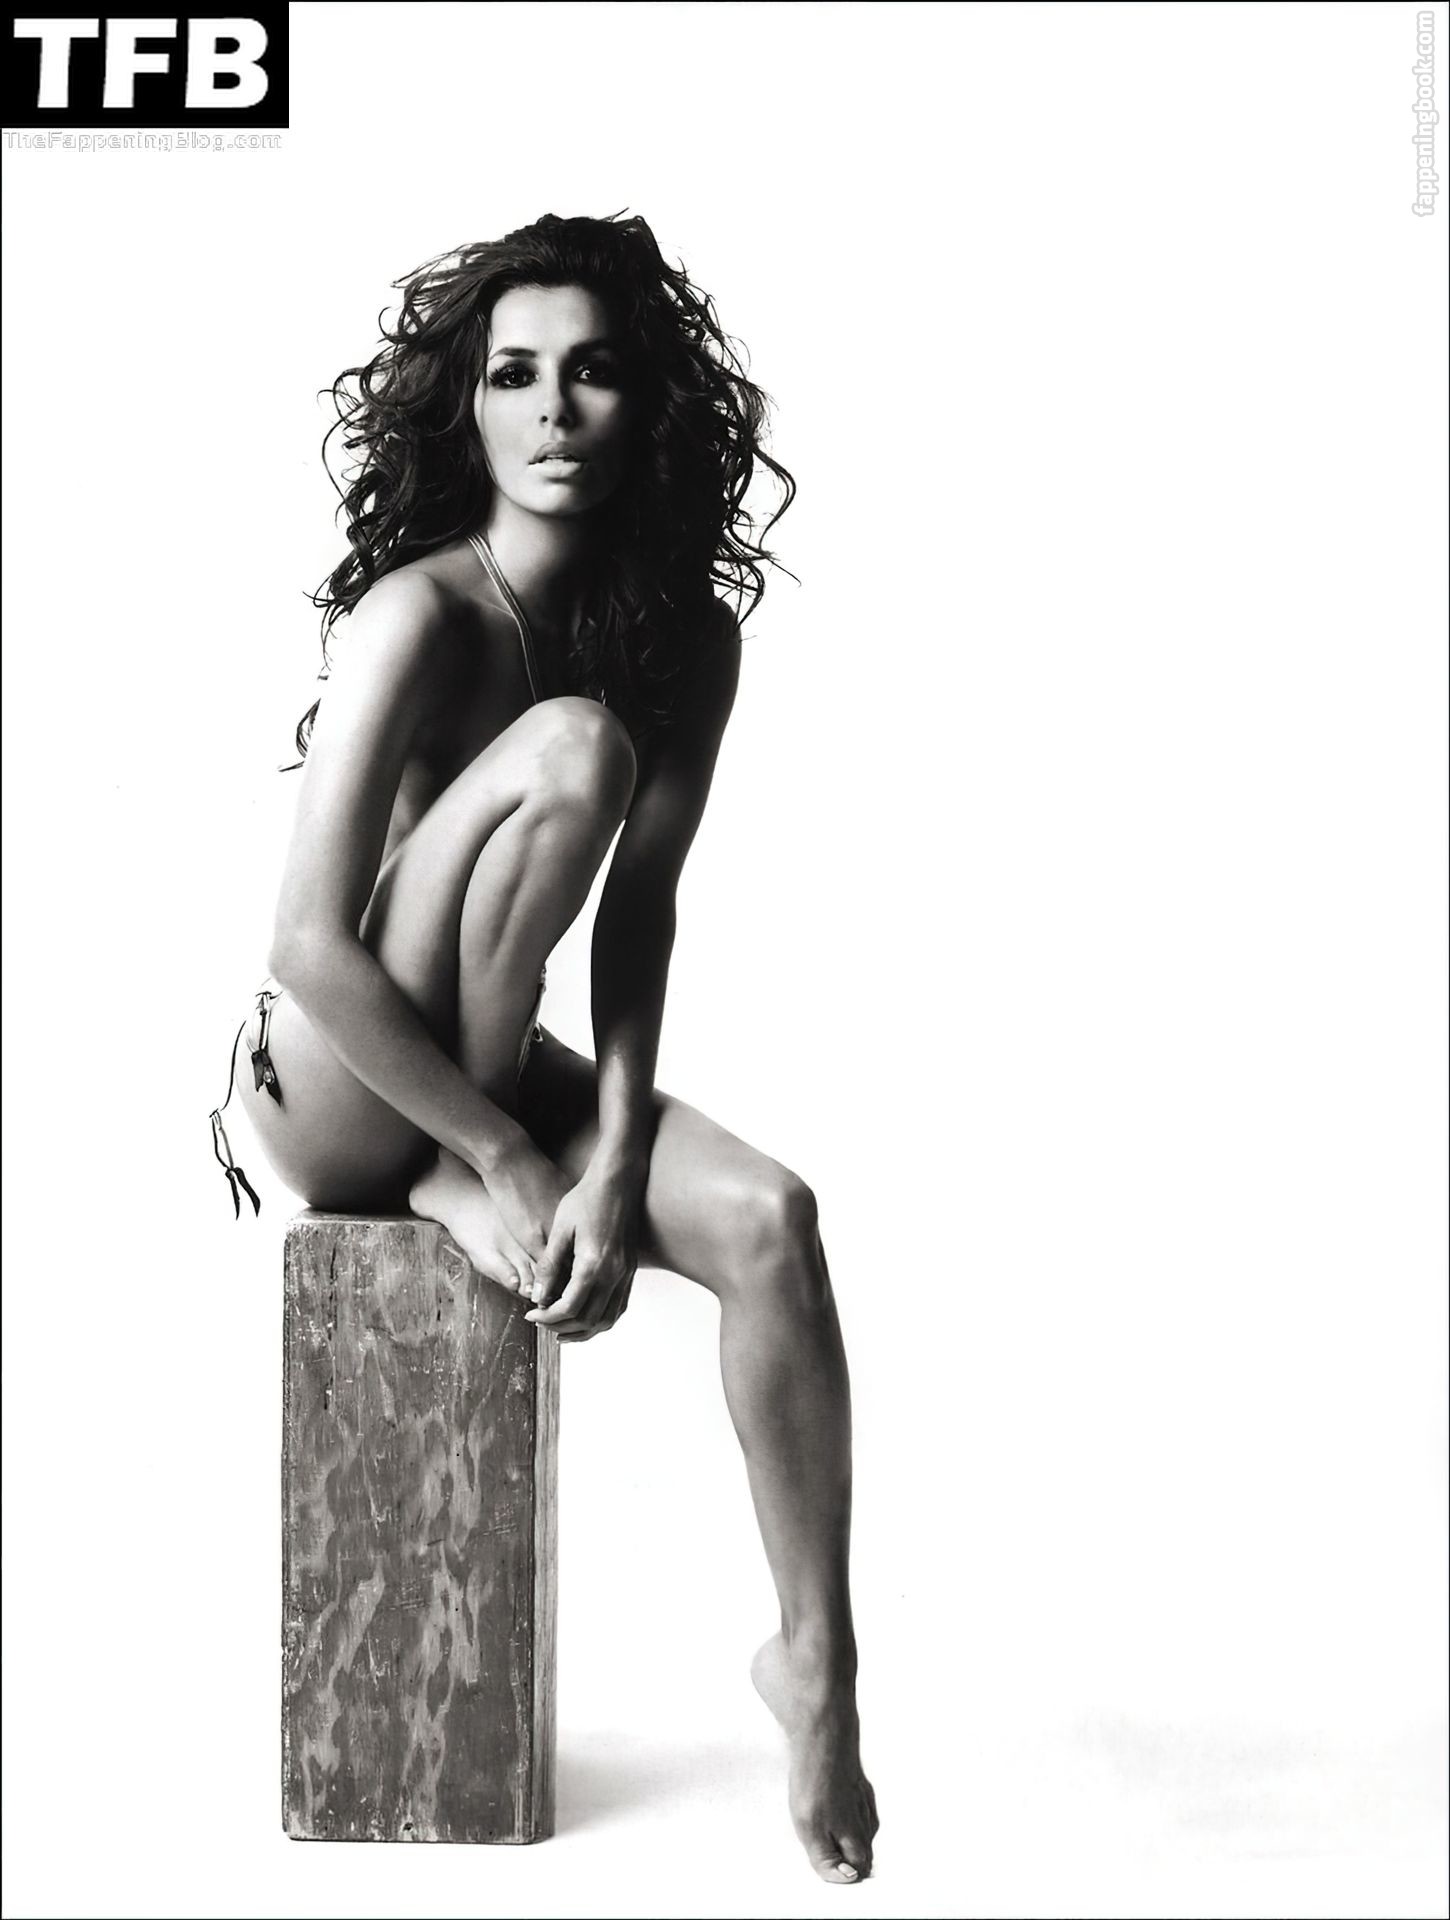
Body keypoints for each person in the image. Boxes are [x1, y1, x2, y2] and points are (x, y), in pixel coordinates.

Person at [213, 211, 877, 1885]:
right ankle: (443, 1180)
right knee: (573, 745)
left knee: (773, 1223)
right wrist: (509, 1154)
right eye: (514, 375)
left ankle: (814, 1661)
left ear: (651, 406)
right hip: (329, 1075)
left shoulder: (686, 638)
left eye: (593, 373)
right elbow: (305, 944)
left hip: (491, 1053)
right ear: (470, 408)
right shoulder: (419, 614)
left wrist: (622, 1151)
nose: (554, 408)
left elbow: (638, 914)